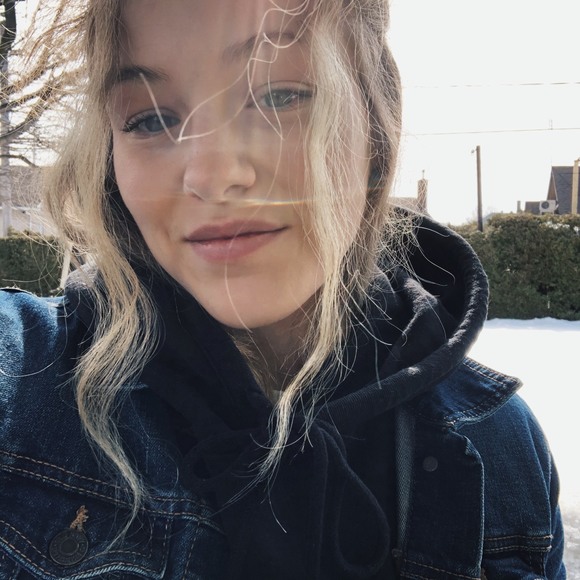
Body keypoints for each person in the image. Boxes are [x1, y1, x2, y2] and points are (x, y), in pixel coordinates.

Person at [0, 0, 566, 578]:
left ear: (376, 129)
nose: (210, 175)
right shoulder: (19, 380)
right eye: (148, 119)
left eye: (279, 96)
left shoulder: (501, 445)